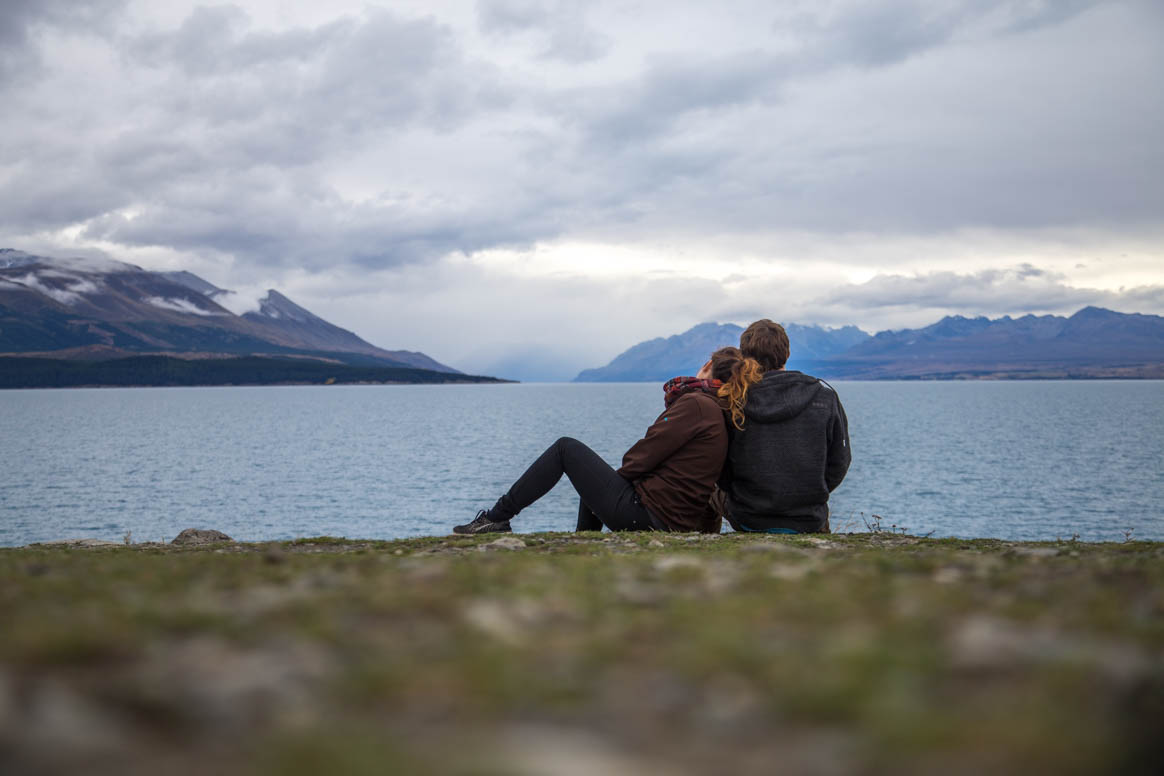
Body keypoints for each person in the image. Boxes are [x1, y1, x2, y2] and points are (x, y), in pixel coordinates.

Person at [454, 347, 761, 535]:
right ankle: (582, 539)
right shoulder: (719, 410)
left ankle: (496, 518)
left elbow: (637, 459)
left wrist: (619, 484)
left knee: (566, 449)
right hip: (674, 518)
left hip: (652, 517)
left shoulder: (697, 404)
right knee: (600, 479)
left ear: (707, 368)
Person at [720, 319, 851, 534]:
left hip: (749, 517)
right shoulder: (824, 396)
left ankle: (700, 548)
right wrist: (815, 494)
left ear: (744, 356)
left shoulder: (734, 399)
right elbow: (840, 461)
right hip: (807, 519)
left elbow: (719, 466)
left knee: (704, 490)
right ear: (787, 354)